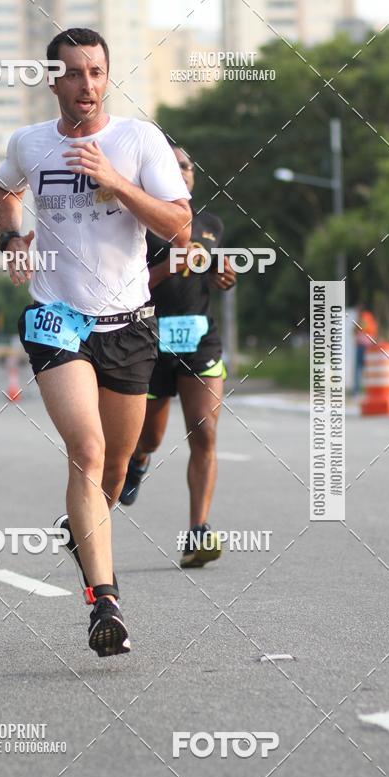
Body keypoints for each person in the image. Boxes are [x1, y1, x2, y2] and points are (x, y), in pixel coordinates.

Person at [0, 27, 192, 656]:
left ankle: (84, 528)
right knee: (86, 448)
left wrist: (118, 181)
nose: (87, 86)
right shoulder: (29, 143)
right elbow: (3, 189)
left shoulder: (138, 139)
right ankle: (105, 602)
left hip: (129, 324)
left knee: (114, 470)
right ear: (53, 79)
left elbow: (180, 226)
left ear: (109, 76)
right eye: (74, 74)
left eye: (98, 72)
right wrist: (11, 238)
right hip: (58, 318)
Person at [119, 144, 236, 568]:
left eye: (186, 165)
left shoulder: (210, 224)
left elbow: (214, 271)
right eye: (172, 165)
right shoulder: (136, 226)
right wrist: (172, 263)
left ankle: (198, 531)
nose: (181, 171)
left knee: (203, 432)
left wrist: (223, 275)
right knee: (149, 437)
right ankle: (139, 460)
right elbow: (128, 287)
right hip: (147, 342)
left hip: (199, 340)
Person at [354, 305, 377, 395]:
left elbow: (359, 328)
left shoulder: (363, 317)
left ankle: (356, 391)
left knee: (359, 369)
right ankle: (368, 391)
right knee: (367, 369)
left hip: (362, 346)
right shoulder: (371, 318)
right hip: (369, 345)